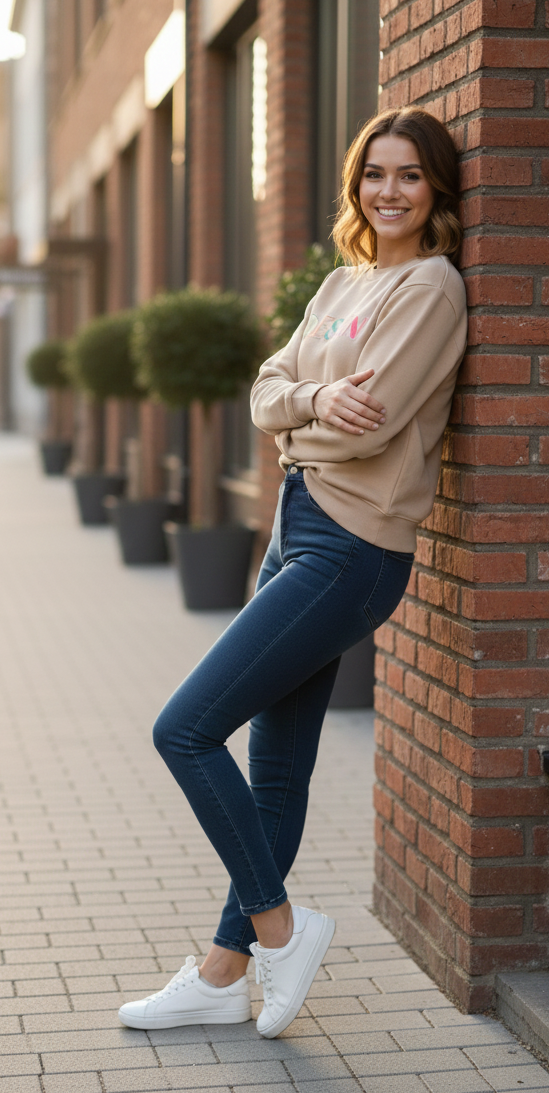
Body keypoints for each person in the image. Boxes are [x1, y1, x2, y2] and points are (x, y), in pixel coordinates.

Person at [118, 106, 467, 1039]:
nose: (387, 191)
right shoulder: (344, 282)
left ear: (436, 191)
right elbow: (268, 389)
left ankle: (280, 929)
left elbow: (381, 420)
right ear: (356, 185)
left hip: (352, 547)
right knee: (275, 771)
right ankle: (223, 976)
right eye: (374, 174)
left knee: (185, 730)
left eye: (409, 176)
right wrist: (310, 403)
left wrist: (294, 423)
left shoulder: (431, 290)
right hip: (294, 526)